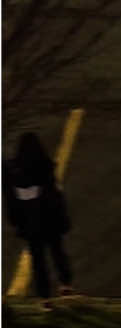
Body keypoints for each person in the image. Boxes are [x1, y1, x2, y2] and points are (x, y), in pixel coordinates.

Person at [3, 132, 74, 307]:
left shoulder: (11, 173)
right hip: (49, 221)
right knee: (57, 252)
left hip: (29, 224)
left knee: (38, 259)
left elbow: (10, 200)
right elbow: (55, 197)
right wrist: (62, 218)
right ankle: (65, 285)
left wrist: (16, 221)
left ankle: (45, 297)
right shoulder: (45, 167)